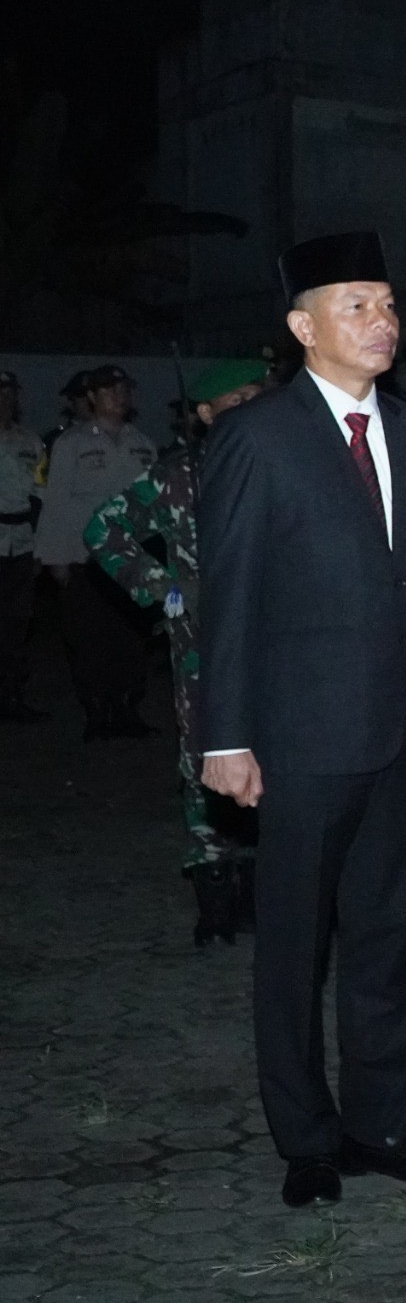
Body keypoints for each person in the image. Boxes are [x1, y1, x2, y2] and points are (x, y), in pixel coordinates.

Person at [199, 231, 406, 1208]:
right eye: (356, 304)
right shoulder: (256, 438)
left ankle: (383, 1124)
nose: (382, 322)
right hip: (303, 739)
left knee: (398, 934)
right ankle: (306, 1139)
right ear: (301, 326)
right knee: (294, 946)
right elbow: (227, 598)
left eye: (389, 303)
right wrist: (224, 734)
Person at [85, 358, 271, 944]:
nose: (247, 409)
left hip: (279, 644)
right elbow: (104, 529)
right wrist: (164, 592)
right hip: (204, 647)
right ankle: (214, 892)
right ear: (205, 413)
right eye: (233, 401)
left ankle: (269, 882)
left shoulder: (284, 467)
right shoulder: (177, 476)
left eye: (254, 397)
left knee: (282, 757)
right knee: (205, 759)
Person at [36, 364, 160, 739]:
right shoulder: (72, 444)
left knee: (131, 639)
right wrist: (54, 557)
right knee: (89, 638)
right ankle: (97, 711)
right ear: (91, 397)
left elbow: (154, 503)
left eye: (124, 390)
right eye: (109, 390)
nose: (119, 397)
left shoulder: (143, 443)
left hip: (133, 560)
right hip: (85, 557)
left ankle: (128, 709)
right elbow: (55, 502)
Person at [0, 370, 42, 723]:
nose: (4, 400)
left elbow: (41, 495)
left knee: (16, 625)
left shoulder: (31, 442)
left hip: (21, 544)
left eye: (10, 394)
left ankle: (12, 696)